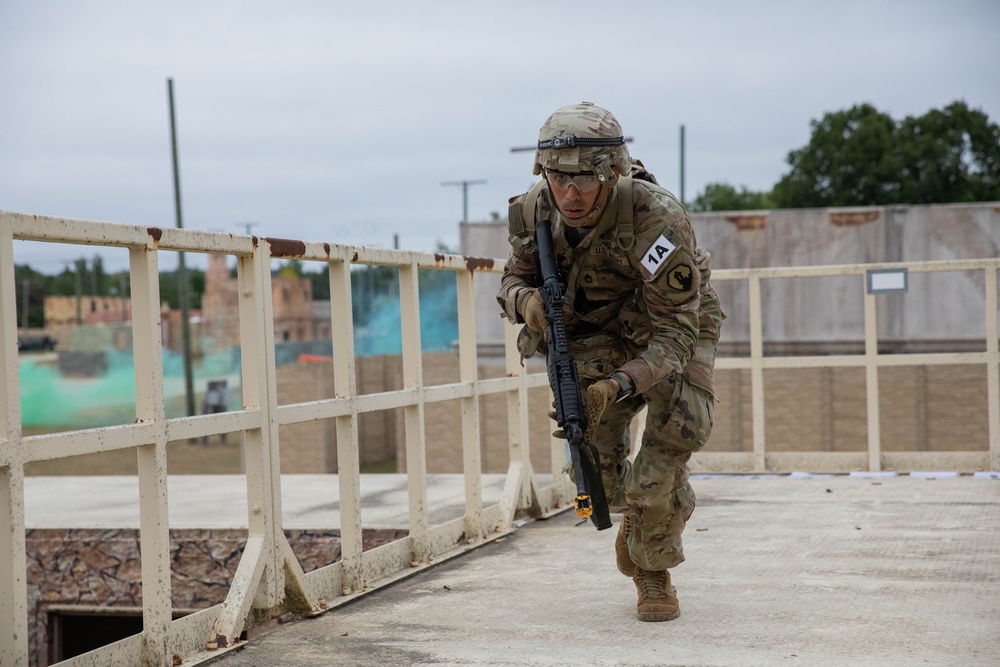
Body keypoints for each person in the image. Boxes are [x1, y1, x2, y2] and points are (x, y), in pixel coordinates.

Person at [497, 102, 724, 622]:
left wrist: (617, 387)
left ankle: (653, 569)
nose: (570, 194)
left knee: (667, 451)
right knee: (592, 466)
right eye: (557, 177)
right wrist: (527, 303)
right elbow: (512, 281)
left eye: (585, 178)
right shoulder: (535, 211)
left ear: (613, 171)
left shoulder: (655, 218)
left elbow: (676, 331)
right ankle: (637, 517)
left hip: (672, 328)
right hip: (596, 329)